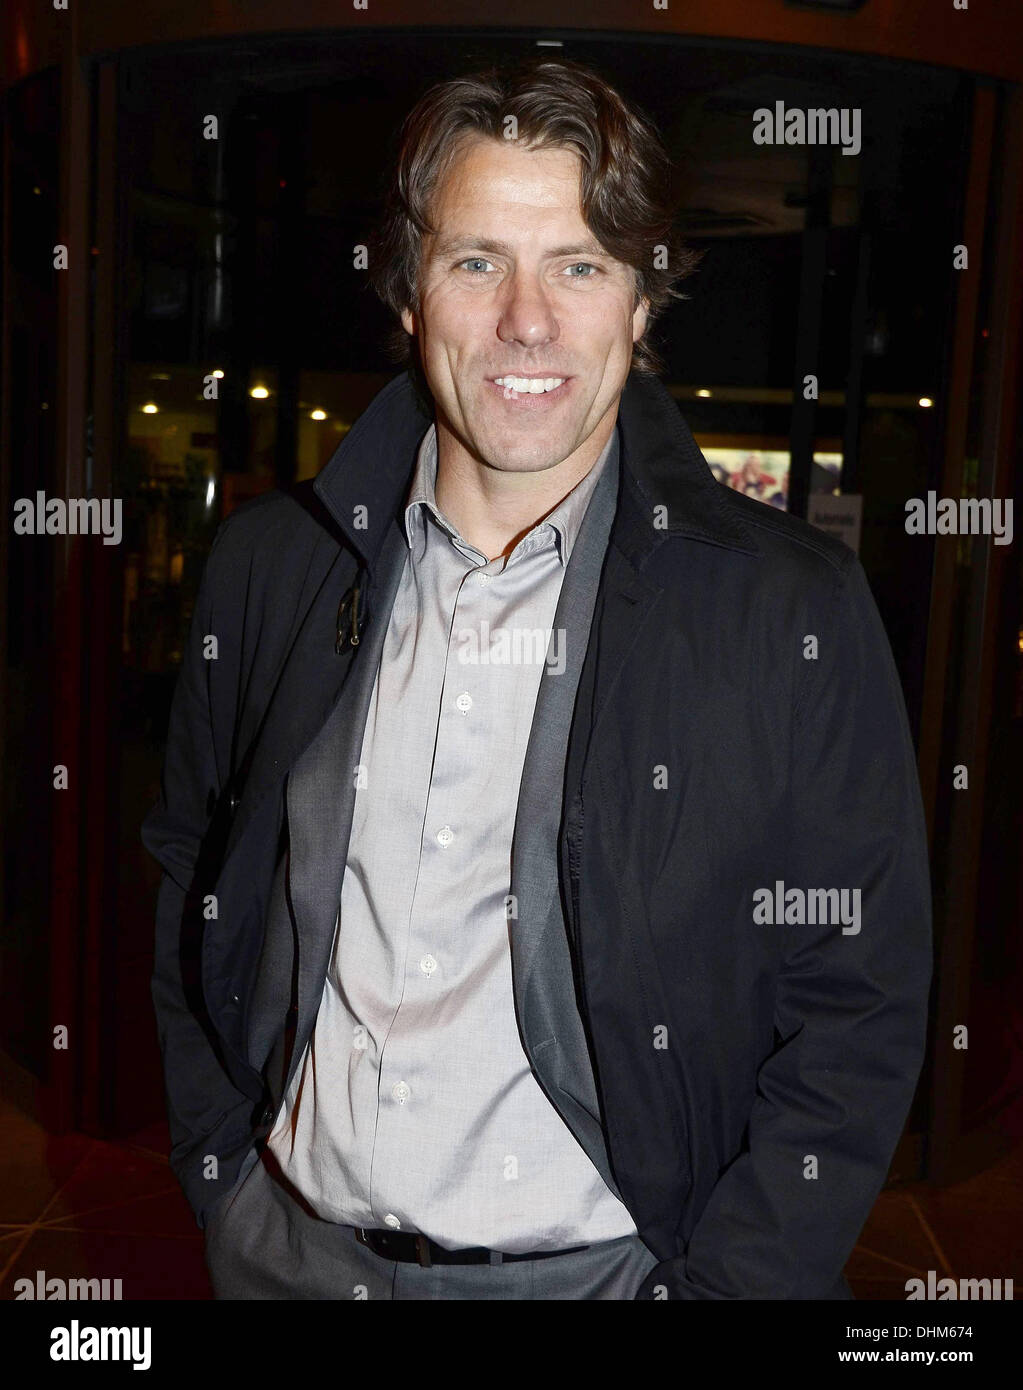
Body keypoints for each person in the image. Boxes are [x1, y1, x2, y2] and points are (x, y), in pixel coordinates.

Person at [142, 58, 932, 1301]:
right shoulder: (269, 568)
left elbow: (859, 999)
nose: (526, 319)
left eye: (578, 264)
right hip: (282, 1255)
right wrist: (219, 1172)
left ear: (640, 306)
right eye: (475, 262)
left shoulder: (787, 611)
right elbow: (190, 870)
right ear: (408, 295)